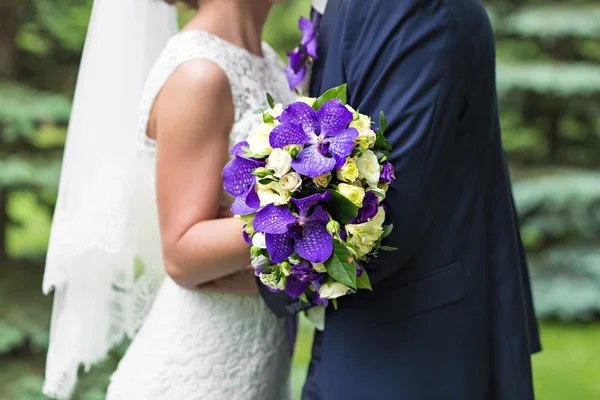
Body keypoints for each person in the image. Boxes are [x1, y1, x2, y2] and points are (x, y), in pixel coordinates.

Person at [259, 0, 542, 399]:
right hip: (371, 344)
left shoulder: (402, 7)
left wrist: (267, 259)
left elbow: (383, 216)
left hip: (413, 351)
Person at [42, 0, 294, 399]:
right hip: (197, 374)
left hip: (258, 360)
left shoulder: (269, 61)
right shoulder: (199, 73)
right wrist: (311, 212)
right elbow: (182, 252)